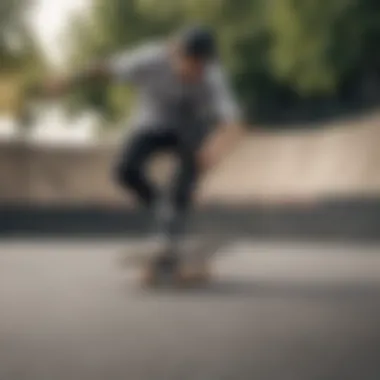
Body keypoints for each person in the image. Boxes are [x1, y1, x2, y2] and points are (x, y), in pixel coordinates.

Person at [40, 26, 245, 264]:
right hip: (152, 125)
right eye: (194, 64)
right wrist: (68, 80)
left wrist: (214, 150)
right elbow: (104, 69)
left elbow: (235, 124)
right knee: (125, 171)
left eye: (203, 66)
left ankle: (172, 223)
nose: (198, 72)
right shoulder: (149, 59)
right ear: (177, 55)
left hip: (190, 130)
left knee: (190, 168)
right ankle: (165, 212)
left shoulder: (212, 75)